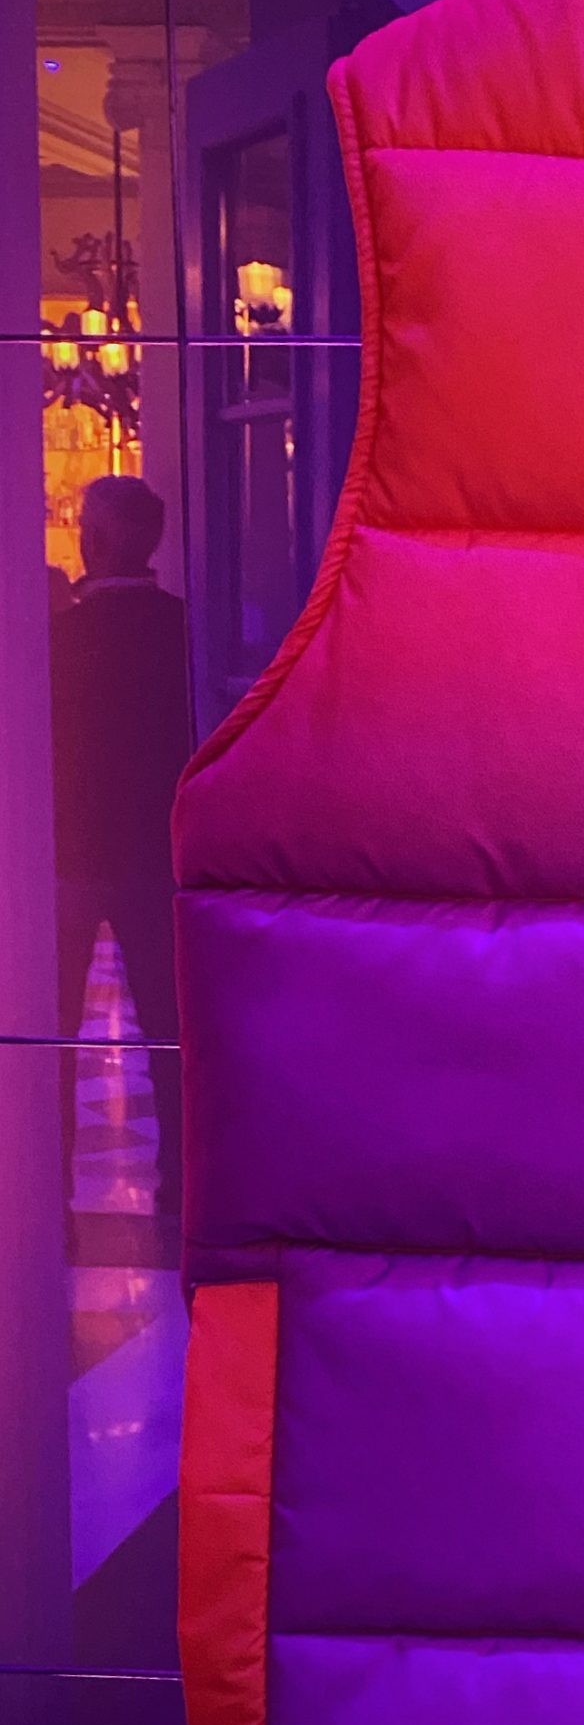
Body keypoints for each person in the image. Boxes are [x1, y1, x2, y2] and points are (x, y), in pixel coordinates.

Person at [49, 475, 192, 1221]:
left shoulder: (59, 639)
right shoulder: (184, 632)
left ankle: (50, 1184)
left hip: (70, 854)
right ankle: (181, 1180)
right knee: (170, 1025)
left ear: (94, 541)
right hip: (156, 854)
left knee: (52, 1032)